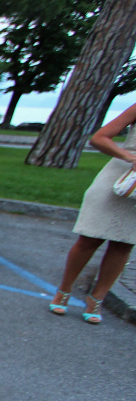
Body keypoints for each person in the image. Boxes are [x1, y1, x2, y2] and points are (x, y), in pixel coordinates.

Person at [48, 102, 136, 324]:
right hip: (119, 176)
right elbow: (99, 138)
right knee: (89, 238)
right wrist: (130, 157)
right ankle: (64, 290)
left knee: (124, 243)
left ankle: (97, 298)